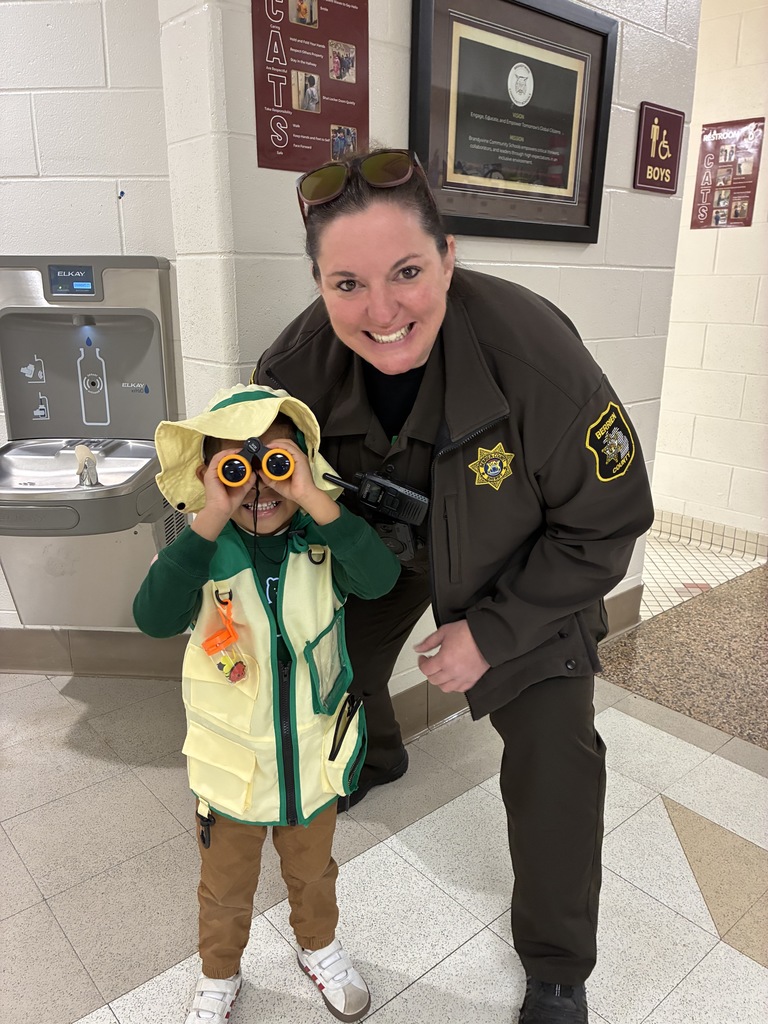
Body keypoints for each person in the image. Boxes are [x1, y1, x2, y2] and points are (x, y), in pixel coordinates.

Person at [252, 149, 655, 1023]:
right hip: (388, 550)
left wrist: (493, 633)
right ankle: (383, 751)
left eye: (406, 273)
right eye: (347, 283)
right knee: (332, 652)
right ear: (319, 282)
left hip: (519, 572)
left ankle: (557, 966)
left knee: (557, 755)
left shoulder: (537, 357)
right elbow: (263, 503)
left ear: (449, 257)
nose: (382, 310)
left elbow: (608, 521)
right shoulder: (291, 371)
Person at [133, 383, 400, 1024]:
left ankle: (320, 949)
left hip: (311, 759)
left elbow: (382, 579)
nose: (260, 486)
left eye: (277, 464)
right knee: (225, 889)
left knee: (314, 873)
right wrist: (210, 518)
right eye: (237, 470)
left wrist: (312, 499)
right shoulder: (203, 552)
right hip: (233, 773)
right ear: (210, 477)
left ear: (304, 464)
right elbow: (152, 617)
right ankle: (218, 976)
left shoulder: (323, 540)